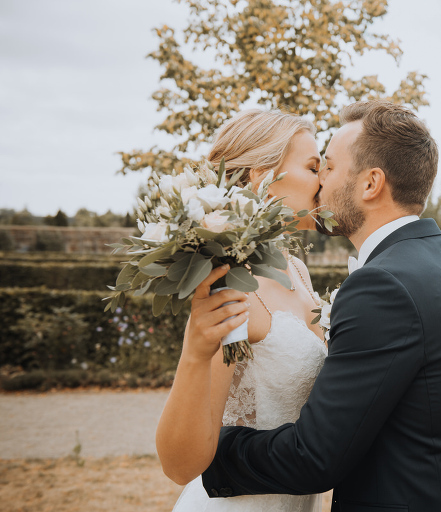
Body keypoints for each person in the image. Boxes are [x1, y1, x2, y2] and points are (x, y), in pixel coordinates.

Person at [198, 100, 441, 511]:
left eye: (330, 167)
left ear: (371, 184)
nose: (321, 182)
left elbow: (316, 456)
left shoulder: (384, 284)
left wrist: (212, 455)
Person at [156, 109, 328, 512]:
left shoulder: (297, 269)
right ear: (260, 176)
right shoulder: (229, 283)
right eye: (312, 166)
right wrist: (195, 352)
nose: (324, 180)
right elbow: (180, 464)